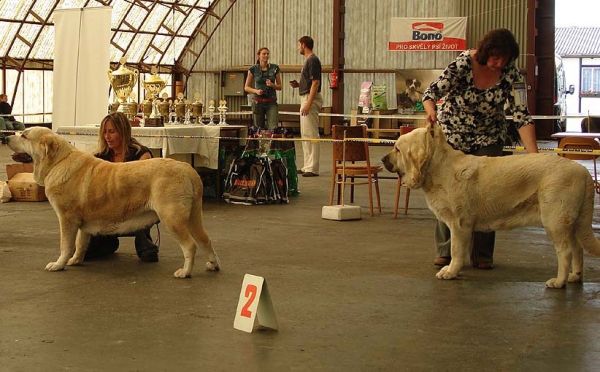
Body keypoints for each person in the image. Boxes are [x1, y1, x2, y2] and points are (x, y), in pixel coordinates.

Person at [421, 28, 539, 270]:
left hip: (489, 138)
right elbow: (430, 93)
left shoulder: (512, 74)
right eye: (496, 58)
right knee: (449, 196)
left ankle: (482, 254)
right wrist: (431, 110)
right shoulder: (464, 63)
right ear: (485, 52)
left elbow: (521, 115)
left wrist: (535, 157)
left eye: (504, 59)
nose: (499, 64)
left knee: (488, 194)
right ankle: (446, 251)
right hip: (454, 138)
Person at [85, 112, 159, 262]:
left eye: (112, 132)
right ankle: (108, 241)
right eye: (104, 132)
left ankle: (144, 241)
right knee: (84, 254)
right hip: (106, 208)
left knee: (148, 256)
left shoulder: (141, 154)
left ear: (123, 132)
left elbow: (143, 190)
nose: (107, 136)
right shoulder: (99, 157)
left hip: (136, 205)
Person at [290, 36, 323, 177]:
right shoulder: (308, 61)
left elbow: (315, 82)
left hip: (310, 98)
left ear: (303, 45)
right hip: (305, 95)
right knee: (305, 133)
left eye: (299, 45)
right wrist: (299, 85)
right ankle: (307, 165)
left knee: (311, 133)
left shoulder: (313, 60)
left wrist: (309, 103)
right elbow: (310, 82)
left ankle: (312, 167)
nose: (298, 48)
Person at [244, 47, 282, 130]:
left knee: (273, 127)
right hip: (258, 102)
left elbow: (280, 86)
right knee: (258, 129)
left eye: (267, 54)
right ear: (259, 56)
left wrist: (272, 85)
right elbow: (246, 87)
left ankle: (272, 142)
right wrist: (256, 91)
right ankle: (259, 143)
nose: (266, 55)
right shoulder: (253, 69)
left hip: (271, 102)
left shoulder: (274, 68)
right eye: (264, 54)